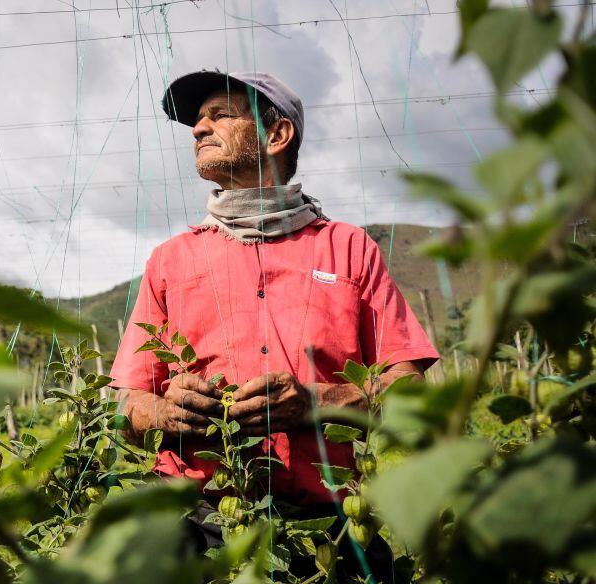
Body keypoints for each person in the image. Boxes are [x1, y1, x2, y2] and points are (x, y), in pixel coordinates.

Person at [108, 71, 440, 543]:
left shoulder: (349, 249)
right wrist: (164, 414)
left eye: (220, 115)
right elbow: (124, 402)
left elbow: (407, 389)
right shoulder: (171, 260)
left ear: (277, 135)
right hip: (198, 523)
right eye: (197, 121)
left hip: (326, 526)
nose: (199, 129)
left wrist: (314, 402)